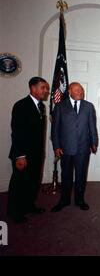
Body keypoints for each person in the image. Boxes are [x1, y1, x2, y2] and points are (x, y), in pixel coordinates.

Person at [7, 76, 50, 223]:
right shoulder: (21, 105)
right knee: (19, 183)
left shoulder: (41, 106)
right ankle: (14, 212)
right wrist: (20, 155)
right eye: (43, 88)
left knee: (33, 182)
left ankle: (28, 205)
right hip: (23, 154)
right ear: (33, 88)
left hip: (36, 154)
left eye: (46, 88)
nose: (46, 91)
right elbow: (17, 132)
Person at [51, 82, 98, 212]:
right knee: (66, 175)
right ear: (70, 91)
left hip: (83, 148)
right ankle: (64, 200)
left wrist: (94, 143)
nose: (80, 92)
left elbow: (92, 127)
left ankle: (80, 200)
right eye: (77, 90)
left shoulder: (88, 106)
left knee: (81, 176)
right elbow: (55, 129)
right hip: (65, 148)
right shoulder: (60, 107)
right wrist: (56, 146)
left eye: (81, 90)